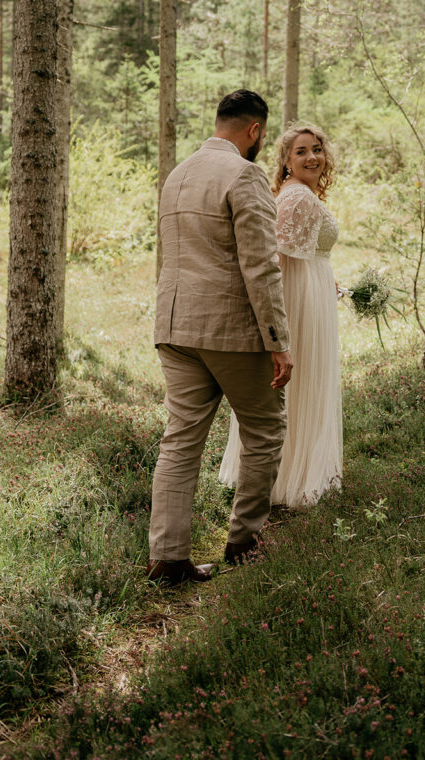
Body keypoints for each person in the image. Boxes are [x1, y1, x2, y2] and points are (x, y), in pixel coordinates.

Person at [147, 90, 293, 585]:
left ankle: (167, 558)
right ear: (254, 131)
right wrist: (278, 340)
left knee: (180, 442)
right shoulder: (245, 174)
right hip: (229, 330)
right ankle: (244, 543)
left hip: (174, 326)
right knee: (265, 428)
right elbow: (260, 266)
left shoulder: (177, 174)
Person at [219, 122, 342, 509]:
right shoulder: (296, 197)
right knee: (300, 384)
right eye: (301, 151)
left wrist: (329, 285)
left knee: (305, 384)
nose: (312, 157)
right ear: (286, 162)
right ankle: (288, 480)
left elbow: (305, 253)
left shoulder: (300, 194)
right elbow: (276, 256)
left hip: (312, 293)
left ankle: (287, 473)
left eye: (317, 149)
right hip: (298, 302)